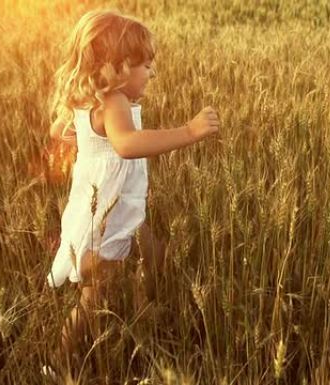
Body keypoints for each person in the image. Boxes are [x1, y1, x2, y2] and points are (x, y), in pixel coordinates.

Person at [41, 8, 220, 378]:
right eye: (147, 65)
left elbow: (60, 129)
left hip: (117, 211)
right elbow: (125, 144)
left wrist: (74, 138)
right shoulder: (114, 102)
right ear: (119, 65)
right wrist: (188, 131)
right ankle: (57, 363)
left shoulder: (91, 101)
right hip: (104, 219)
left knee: (155, 256)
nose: (152, 73)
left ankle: (141, 313)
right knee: (93, 300)